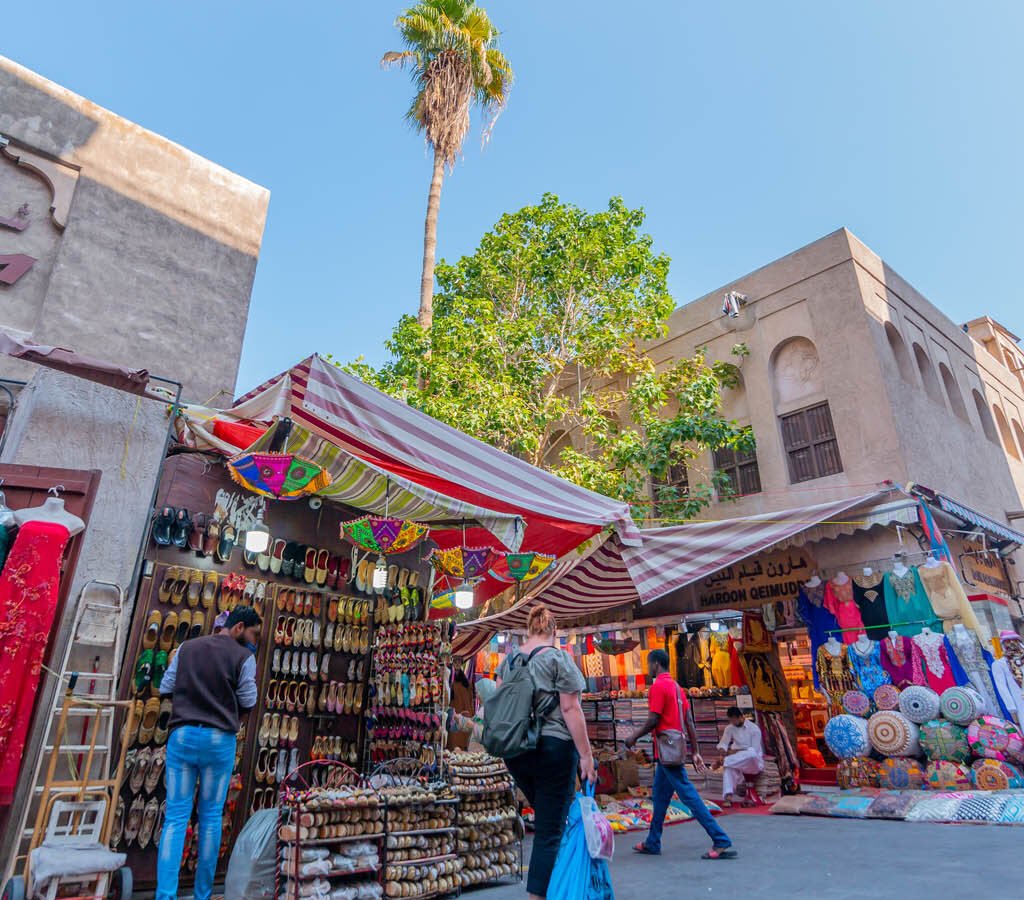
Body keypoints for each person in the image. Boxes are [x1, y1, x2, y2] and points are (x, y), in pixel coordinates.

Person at [155, 605, 262, 900]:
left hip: (183, 735)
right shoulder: (244, 658)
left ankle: (165, 894)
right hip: (218, 740)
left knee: (175, 817)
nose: (254, 641)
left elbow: (166, 687)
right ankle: (203, 894)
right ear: (239, 627)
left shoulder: (187, 648)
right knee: (211, 817)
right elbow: (249, 700)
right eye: (253, 633)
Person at [498, 605, 596, 900]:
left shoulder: (510, 661)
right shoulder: (557, 658)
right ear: (554, 631)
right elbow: (570, 708)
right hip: (553, 748)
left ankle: (557, 890)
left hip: (516, 752)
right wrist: (586, 755)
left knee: (547, 818)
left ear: (529, 630)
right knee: (549, 832)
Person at [626, 649, 735, 860]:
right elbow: (689, 720)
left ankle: (720, 839)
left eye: (649, 665)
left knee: (690, 797)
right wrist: (695, 751)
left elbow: (653, 720)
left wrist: (633, 737)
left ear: (656, 664)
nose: (648, 669)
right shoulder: (676, 688)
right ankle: (653, 841)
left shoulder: (658, 686)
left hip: (667, 752)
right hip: (672, 750)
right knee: (659, 797)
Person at [716, 706, 764, 806]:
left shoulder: (754, 729)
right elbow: (723, 744)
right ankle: (728, 797)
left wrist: (734, 752)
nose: (732, 723)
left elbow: (754, 751)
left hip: (752, 763)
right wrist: (722, 753)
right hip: (737, 761)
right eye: (730, 720)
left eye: (734, 720)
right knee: (729, 767)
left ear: (740, 717)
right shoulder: (729, 728)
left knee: (750, 753)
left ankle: (725, 761)